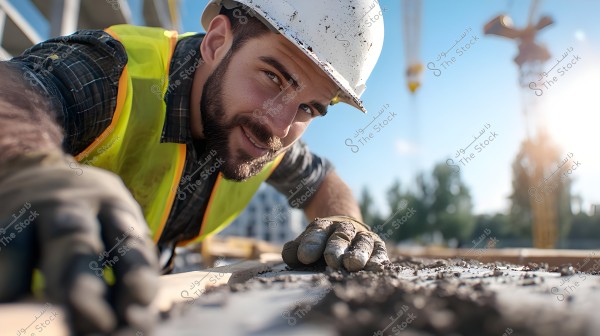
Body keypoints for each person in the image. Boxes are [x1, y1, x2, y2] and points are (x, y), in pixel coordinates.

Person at [0, 0, 389, 333]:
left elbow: (324, 182)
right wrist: (31, 164)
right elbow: (17, 92)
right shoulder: (112, 72)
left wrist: (346, 223)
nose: (279, 126)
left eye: (308, 108)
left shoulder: (268, 141)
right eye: (273, 77)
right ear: (217, 42)